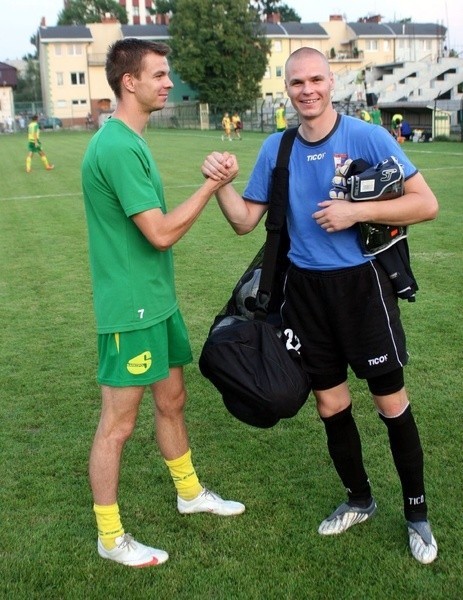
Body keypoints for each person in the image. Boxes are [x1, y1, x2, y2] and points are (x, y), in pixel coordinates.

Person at [202, 47, 439, 565]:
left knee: (390, 404)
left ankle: (417, 514)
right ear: (286, 90)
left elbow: (426, 203)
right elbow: (245, 221)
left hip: (362, 290)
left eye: (315, 80)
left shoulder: (366, 136)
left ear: (332, 83)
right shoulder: (277, 148)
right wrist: (219, 186)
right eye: (296, 83)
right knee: (331, 405)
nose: (307, 90)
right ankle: (359, 499)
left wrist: (358, 211)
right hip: (304, 295)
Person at [81, 38, 244, 569]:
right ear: (130, 82)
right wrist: (210, 185)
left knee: (172, 399)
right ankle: (110, 536)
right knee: (117, 425)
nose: (168, 82)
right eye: (159, 75)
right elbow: (160, 234)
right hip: (132, 310)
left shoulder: (131, 137)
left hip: (158, 303)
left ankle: (189, 492)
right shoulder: (118, 147)